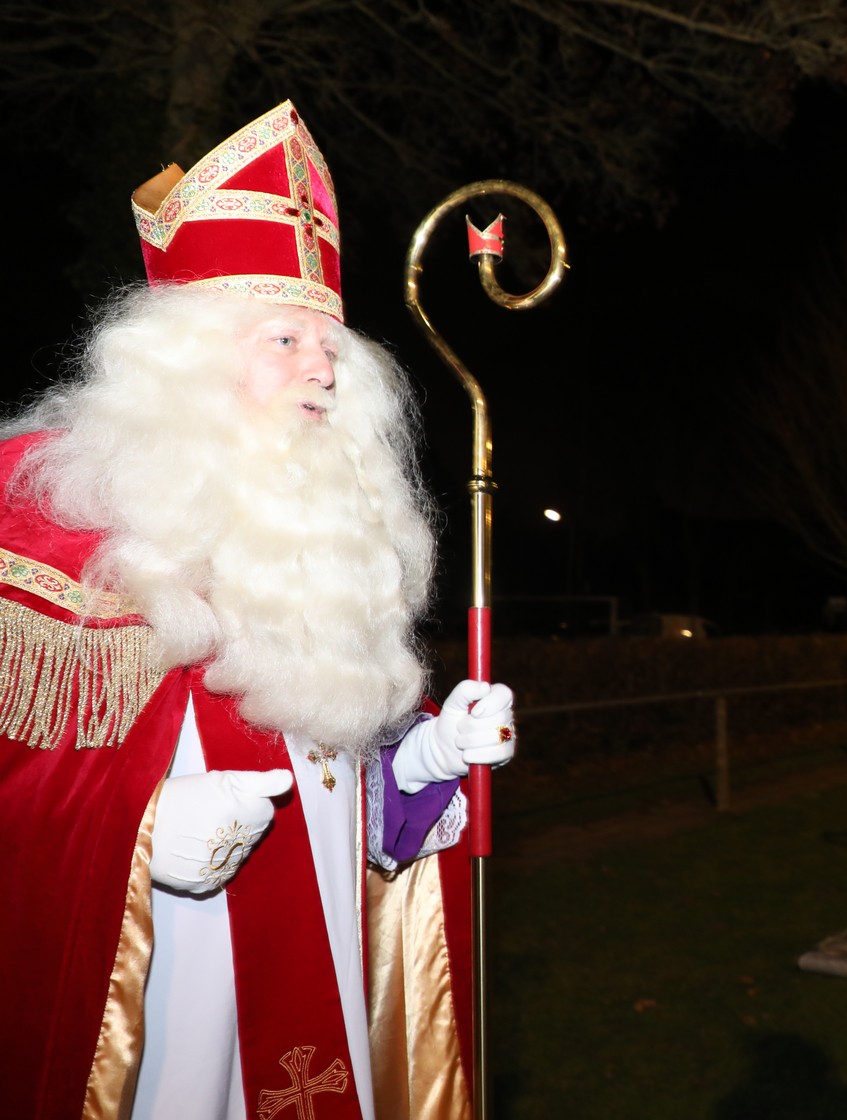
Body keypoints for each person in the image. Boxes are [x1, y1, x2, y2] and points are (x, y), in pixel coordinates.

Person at [0, 102, 514, 1120]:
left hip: (321, 979)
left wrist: (419, 761)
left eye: (330, 346)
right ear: (182, 367)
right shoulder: (44, 519)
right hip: (162, 1010)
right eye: (286, 339)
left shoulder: (320, 536)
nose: (323, 368)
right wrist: (146, 838)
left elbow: (329, 798)